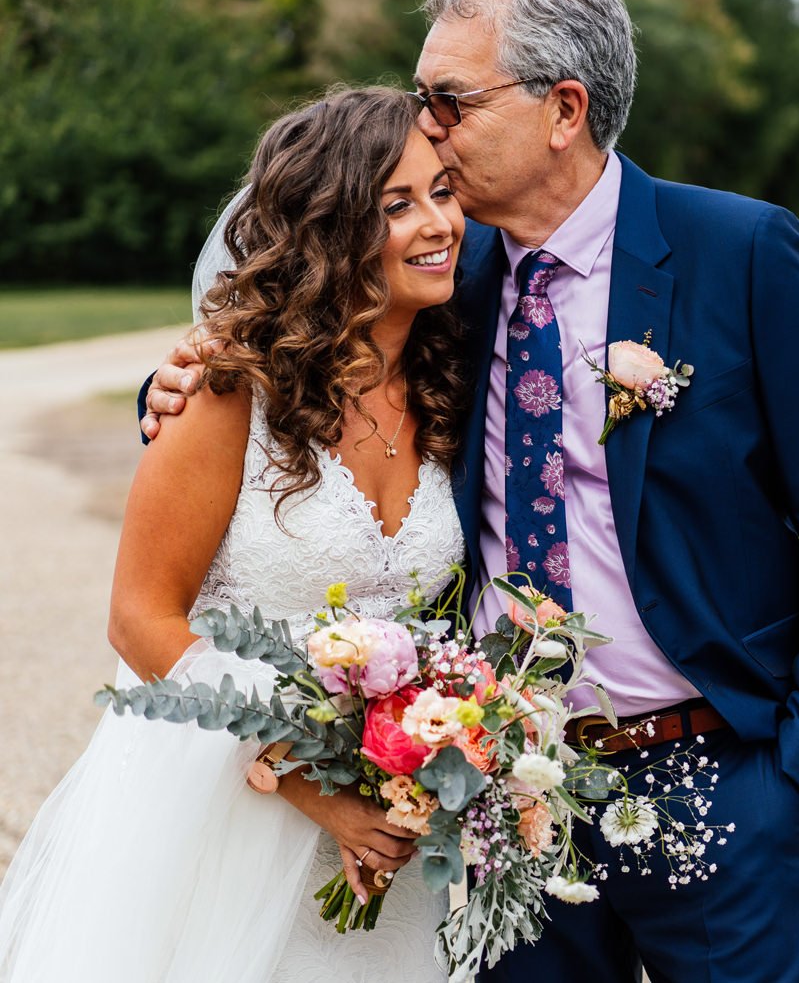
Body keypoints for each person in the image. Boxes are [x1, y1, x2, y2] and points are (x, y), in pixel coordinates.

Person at [142, 0, 799, 983]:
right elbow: (303, 348)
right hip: (510, 797)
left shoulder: (742, 253)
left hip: (718, 781)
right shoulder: (450, 276)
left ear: (564, 108)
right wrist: (185, 372)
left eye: (448, 101)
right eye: (422, 99)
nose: (427, 128)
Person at [0, 87, 470, 982]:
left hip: (383, 832)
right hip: (221, 810)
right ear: (332, 229)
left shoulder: (453, 381)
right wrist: (307, 781)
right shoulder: (226, 389)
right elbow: (140, 619)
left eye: (443, 191)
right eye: (397, 204)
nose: (437, 222)